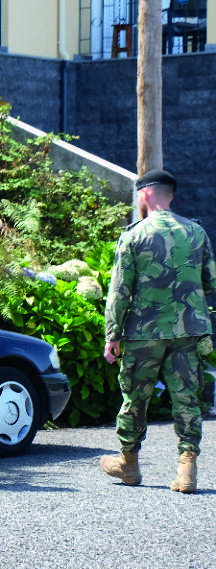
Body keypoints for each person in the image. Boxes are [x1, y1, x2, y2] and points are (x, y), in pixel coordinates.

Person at [100, 169, 216, 493]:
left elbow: (120, 290)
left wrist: (113, 335)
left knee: (135, 399)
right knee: (187, 400)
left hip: (143, 333)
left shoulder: (135, 235)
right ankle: (187, 470)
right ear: (171, 195)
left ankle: (129, 464)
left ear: (146, 193)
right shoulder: (196, 232)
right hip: (189, 331)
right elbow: (210, 282)